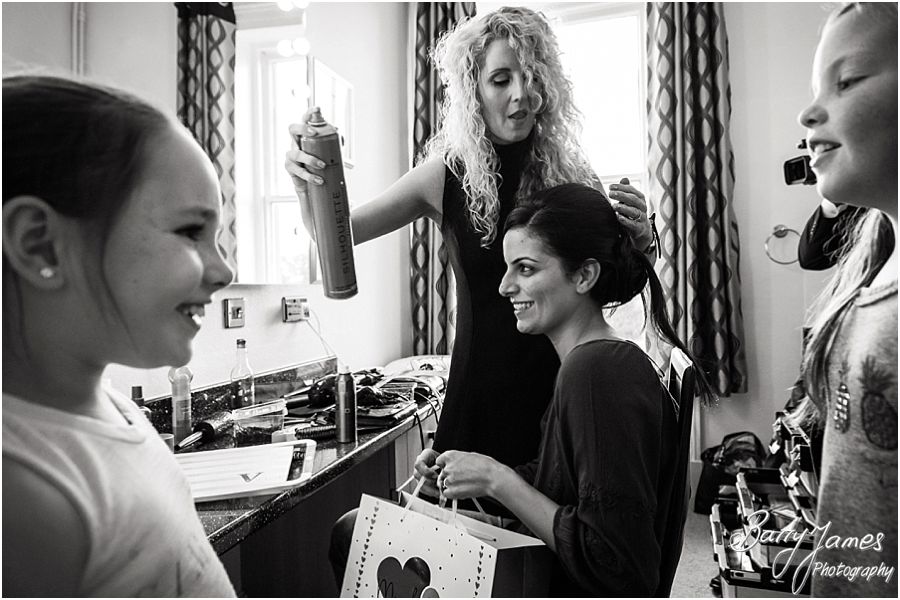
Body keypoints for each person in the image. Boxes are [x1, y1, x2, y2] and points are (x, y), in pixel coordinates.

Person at [285, 5, 654, 476]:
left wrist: (642, 240)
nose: (521, 94)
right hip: (478, 394)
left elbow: (613, 283)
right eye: (501, 80)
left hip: (563, 390)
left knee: (551, 535)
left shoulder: (574, 175)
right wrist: (306, 187)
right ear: (474, 90)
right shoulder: (443, 176)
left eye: (532, 76)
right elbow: (334, 238)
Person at [411, 183, 713, 596]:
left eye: (526, 268)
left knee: (352, 533)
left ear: (584, 275)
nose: (504, 287)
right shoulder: (589, 362)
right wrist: (470, 475)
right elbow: (561, 482)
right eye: (507, 268)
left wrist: (500, 480)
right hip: (548, 572)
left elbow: (618, 565)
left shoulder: (598, 371)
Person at [2, 75, 236, 597]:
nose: (224, 271)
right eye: (191, 232)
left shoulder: (101, 403)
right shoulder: (24, 498)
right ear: (40, 245)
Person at [797, 3, 897, 597]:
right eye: (815, 88)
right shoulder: (873, 271)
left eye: (848, 81)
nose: (809, 111)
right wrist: (839, 550)